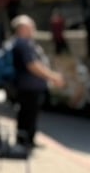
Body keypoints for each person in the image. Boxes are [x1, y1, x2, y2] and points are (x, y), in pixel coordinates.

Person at [11, 14, 65, 147]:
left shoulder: (25, 43)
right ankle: (24, 142)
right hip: (28, 86)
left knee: (29, 114)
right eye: (31, 27)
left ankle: (27, 141)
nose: (33, 29)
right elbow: (32, 65)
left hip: (29, 86)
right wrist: (52, 76)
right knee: (28, 114)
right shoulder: (23, 44)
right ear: (22, 28)